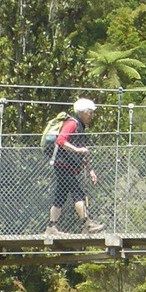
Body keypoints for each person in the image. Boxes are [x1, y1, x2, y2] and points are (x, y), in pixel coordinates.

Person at [46, 98, 105, 235]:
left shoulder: (80, 127)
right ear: (82, 112)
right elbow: (61, 140)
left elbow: (82, 151)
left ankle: (51, 227)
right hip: (64, 166)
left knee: (60, 197)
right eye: (89, 112)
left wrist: (90, 170)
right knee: (78, 194)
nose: (91, 115)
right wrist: (77, 150)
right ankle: (86, 224)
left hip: (69, 167)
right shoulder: (72, 123)